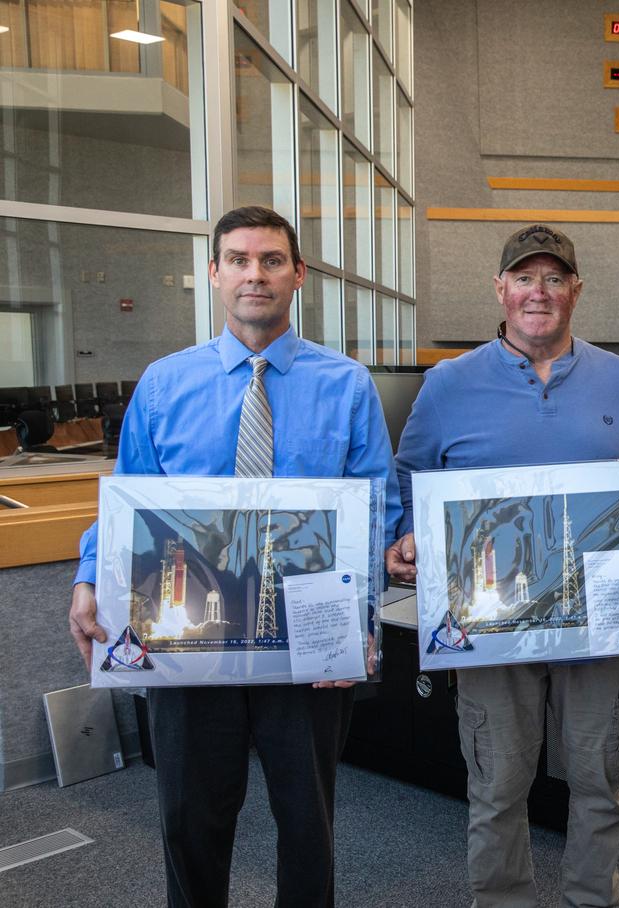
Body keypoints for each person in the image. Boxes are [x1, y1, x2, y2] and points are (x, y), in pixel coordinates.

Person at [68, 205, 402, 908]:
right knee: (191, 820)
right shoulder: (163, 384)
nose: (257, 274)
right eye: (241, 260)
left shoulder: (346, 386)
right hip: (188, 638)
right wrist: (89, 579)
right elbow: (128, 500)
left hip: (306, 640)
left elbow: (377, 511)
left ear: (298, 275)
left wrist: (359, 624)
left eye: (273, 260)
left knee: (307, 822)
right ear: (215, 273)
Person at [385, 224, 619, 907]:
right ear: (500, 289)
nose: (539, 292)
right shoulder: (447, 385)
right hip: (490, 624)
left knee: (597, 780)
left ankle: (592, 898)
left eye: (554, 279)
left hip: (601, 620)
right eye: (524, 278)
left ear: (576, 291)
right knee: (498, 785)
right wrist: (406, 535)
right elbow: (407, 481)